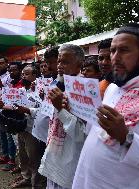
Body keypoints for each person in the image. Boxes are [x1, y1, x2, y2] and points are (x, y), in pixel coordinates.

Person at [72, 23, 139, 189]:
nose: (115, 58)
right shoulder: (113, 87)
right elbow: (97, 131)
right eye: (113, 50)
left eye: (124, 50)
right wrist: (78, 109)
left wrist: (127, 138)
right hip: (88, 180)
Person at [39, 44, 86, 189]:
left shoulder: (84, 89)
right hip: (54, 152)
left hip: (70, 159)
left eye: (65, 62)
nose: (59, 66)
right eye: (59, 61)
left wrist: (61, 109)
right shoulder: (58, 85)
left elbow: (81, 133)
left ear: (79, 64)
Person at [9, 65, 47, 188]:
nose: (23, 76)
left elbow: (43, 109)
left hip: (34, 130)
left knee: (34, 158)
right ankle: (26, 177)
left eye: (26, 74)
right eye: (23, 74)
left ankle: (37, 184)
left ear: (35, 75)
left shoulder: (41, 90)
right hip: (21, 127)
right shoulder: (21, 90)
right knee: (23, 155)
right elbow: (12, 104)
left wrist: (26, 110)